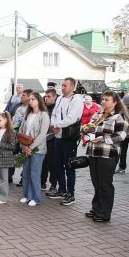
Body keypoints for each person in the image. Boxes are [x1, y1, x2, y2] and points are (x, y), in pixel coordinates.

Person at [84, 91, 128, 222]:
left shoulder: (119, 117)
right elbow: (90, 129)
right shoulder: (98, 114)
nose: (103, 102)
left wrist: (102, 139)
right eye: (102, 99)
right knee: (96, 182)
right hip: (93, 152)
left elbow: (121, 135)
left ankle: (104, 212)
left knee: (105, 183)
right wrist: (86, 131)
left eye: (107, 100)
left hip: (108, 154)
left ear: (115, 102)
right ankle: (96, 208)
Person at [48, 77, 84, 206]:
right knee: (57, 164)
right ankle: (61, 189)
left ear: (72, 87)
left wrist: (57, 126)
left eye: (65, 86)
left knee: (69, 165)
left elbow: (72, 118)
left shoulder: (77, 100)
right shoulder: (60, 98)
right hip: (58, 136)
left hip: (69, 137)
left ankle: (71, 193)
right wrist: (53, 125)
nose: (62, 88)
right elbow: (54, 114)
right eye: (62, 85)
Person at [19, 92, 50, 207]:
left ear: (38, 100)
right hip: (26, 147)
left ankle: (36, 198)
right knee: (26, 173)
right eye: (30, 99)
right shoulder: (28, 114)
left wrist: (31, 147)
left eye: (33, 99)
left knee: (34, 174)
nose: (30, 101)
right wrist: (24, 146)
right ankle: (26, 195)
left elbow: (42, 134)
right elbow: (21, 130)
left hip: (38, 149)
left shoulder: (44, 115)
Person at [0, 111, 17, 204]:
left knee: (4, 179)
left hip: (4, 158)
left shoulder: (10, 132)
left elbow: (12, 146)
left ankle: (3, 198)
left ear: (6, 120)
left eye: (0, 120)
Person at [10, 89, 32, 186]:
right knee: (12, 154)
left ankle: (24, 178)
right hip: (15, 134)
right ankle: (9, 176)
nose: (21, 97)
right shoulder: (18, 107)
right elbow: (14, 120)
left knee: (25, 156)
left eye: (23, 95)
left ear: (29, 97)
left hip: (25, 137)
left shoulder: (31, 109)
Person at [43, 88, 60, 194]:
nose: (46, 98)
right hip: (42, 138)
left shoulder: (57, 109)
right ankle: (41, 182)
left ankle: (53, 184)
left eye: (49, 96)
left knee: (52, 163)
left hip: (52, 138)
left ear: (55, 97)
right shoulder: (42, 108)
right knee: (43, 162)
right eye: (45, 96)